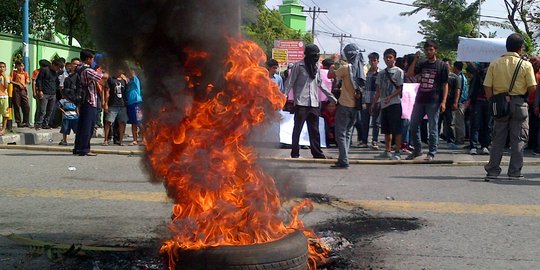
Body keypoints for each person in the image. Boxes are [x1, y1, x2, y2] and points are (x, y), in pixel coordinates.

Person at [483, 33, 537, 181]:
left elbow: (487, 86)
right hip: (519, 104)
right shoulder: (526, 65)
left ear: (506, 47)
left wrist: (493, 101)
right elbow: (533, 88)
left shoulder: (495, 63)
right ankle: (514, 172)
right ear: (521, 48)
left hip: (499, 104)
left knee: (498, 138)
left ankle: (493, 171)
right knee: (518, 139)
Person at [285, 44, 337, 159]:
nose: (316, 57)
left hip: (314, 103)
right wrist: (283, 97)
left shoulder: (316, 68)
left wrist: (331, 98)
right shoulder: (298, 66)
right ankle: (295, 153)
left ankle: (317, 154)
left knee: (314, 130)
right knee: (297, 129)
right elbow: (290, 82)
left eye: (318, 55)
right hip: (301, 103)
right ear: (308, 55)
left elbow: (320, 84)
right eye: (314, 55)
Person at [405, 40, 449, 161]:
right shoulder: (422, 64)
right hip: (420, 99)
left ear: (435, 50)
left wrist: (444, 101)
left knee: (433, 128)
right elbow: (409, 74)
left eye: (431, 49)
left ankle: (431, 152)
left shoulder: (442, 66)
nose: (429, 52)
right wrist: (415, 59)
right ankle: (417, 150)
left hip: (433, 101)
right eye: (427, 50)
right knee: (413, 125)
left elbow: (445, 84)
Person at [328, 43, 365, 168]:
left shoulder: (346, 68)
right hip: (356, 106)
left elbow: (330, 75)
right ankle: (343, 158)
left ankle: (343, 160)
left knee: (340, 133)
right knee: (348, 133)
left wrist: (334, 62)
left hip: (344, 104)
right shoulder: (363, 69)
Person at [371, 48, 404, 160]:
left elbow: (400, 88)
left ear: (394, 58)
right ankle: (387, 150)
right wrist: (374, 103)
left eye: (390, 57)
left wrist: (390, 97)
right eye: (386, 57)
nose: (388, 59)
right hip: (384, 104)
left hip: (394, 103)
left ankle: (397, 152)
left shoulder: (399, 72)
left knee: (397, 129)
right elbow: (378, 90)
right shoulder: (381, 73)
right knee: (386, 129)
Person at [73, 49, 103, 156]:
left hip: (83, 101)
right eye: (92, 58)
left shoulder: (79, 69)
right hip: (90, 100)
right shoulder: (87, 70)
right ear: (89, 58)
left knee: (82, 126)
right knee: (88, 126)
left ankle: (78, 147)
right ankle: (85, 149)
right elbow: (101, 78)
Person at [356, 52, 380, 149]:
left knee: (376, 123)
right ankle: (364, 141)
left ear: (378, 61)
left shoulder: (381, 73)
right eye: (371, 60)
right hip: (366, 100)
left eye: (374, 60)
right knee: (364, 122)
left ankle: (375, 141)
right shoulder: (365, 72)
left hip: (377, 100)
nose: (372, 62)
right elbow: (362, 86)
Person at [467, 63, 491, 155]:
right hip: (478, 100)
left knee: (487, 125)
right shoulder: (477, 71)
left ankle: (485, 145)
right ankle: (473, 146)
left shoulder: (493, 70)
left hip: (489, 101)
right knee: (475, 124)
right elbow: (471, 66)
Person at [102, 68, 128, 146]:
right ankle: (106, 140)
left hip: (122, 104)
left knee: (122, 122)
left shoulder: (124, 80)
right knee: (108, 122)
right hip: (112, 104)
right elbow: (107, 91)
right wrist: (105, 103)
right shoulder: (111, 79)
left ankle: (121, 141)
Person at [438, 58, 460, 150]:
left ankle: (451, 141)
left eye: (447, 65)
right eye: (444, 65)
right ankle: (435, 141)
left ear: (450, 66)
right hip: (438, 103)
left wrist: (455, 102)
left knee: (450, 123)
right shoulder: (438, 76)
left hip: (450, 104)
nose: (445, 66)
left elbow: (457, 90)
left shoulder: (454, 77)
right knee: (437, 122)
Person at [35, 58, 62, 130]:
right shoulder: (45, 70)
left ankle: (45, 124)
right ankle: (38, 124)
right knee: (42, 110)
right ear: (53, 65)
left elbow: (56, 82)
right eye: (57, 67)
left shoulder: (55, 73)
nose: (58, 69)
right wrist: (40, 90)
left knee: (50, 110)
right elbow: (39, 80)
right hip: (45, 93)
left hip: (53, 93)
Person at [10, 60, 31, 128]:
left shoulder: (25, 73)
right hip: (16, 89)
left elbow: (28, 80)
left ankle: (26, 121)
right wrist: (18, 84)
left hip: (23, 90)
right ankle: (18, 122)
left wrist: (26, 83)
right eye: (19, 66)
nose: (20, 67)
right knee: (16, 105)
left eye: (22, 66)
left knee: (26, 106)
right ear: (16, 66)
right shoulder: (13, 73)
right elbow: (10, 80)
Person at [126, 68, 143, 146]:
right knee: (133, 123)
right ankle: (135, 140)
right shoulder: (128, 82)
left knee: (139, 121)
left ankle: (145, 139)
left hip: (137, 103)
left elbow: (132, 75)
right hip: (130, 104)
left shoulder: (135, 80)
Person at [453, 61, 468, 144]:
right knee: (459, 120)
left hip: (460, 101)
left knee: (459, 121)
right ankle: (459, 137)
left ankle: (460, 138)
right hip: (462, 101)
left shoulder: (459, 77)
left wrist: (457, 101)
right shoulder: (462, 76)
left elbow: (460, 90)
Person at [0, 62, 9, 135]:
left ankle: (3, 128)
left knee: (5, 114)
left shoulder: (6, 76)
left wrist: (5, 77)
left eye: (3, 67)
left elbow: (6, 86)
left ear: (5, 68)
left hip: (4, 97)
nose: (1, 68)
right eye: (0, 67)